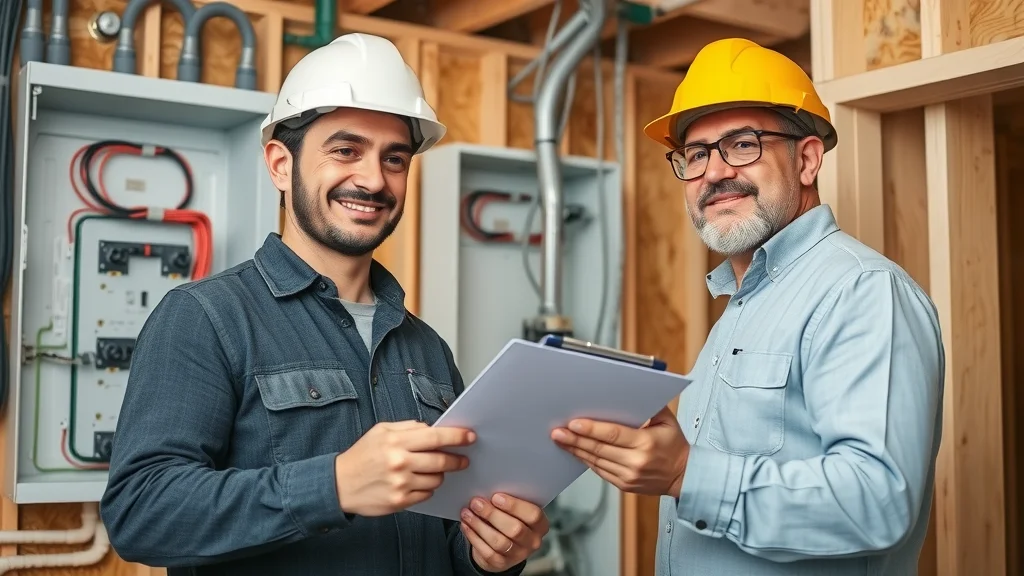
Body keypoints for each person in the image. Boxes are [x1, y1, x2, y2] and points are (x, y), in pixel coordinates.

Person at [100, 33, 548, 576]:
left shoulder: (426, 348)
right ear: (280, 165)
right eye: (345, 150)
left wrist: (489, 554)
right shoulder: (206, 318)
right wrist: (333, 486)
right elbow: (141, 513)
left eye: (395, 159)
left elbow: (445, 540)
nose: (373, 179)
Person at [550, 38, 944, 575]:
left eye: (741, 145)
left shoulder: (862, 291)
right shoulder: (743, 304)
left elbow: (877, 500)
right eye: (695, 155)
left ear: (806, 160)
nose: (713, 172)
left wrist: (685, 474)